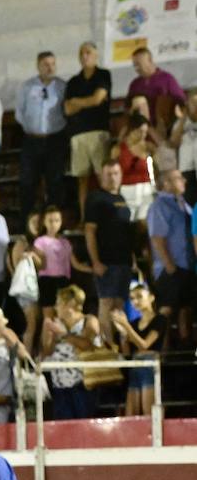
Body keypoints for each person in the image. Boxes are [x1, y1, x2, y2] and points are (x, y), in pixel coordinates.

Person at [84, 161, 134, 343]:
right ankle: (107, 346)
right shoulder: (96, 198)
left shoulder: (122, 199)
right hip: (106, 261)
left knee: (120, 306)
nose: (112, 177)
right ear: (101, 176)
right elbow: (89, 230)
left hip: (124, 261)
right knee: (106, 302)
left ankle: (122, 348)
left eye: (115, 173)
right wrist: (95, 260)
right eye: (108, 174)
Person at [16, 52, 69, 226]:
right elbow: (19, 112)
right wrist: (30, 129)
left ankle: (54, 223)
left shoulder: (62, 86)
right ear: (38, 66)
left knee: (55, 181)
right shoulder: (27, 87)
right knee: (27, 182)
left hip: (55, 139)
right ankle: (28, 224)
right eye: (46, 64)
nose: (50, 67)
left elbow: (66, 110)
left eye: (53, 64)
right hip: (32, 139)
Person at [65, 42, 114, 225]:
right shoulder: (73, 82)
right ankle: (85, 218)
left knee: (103, 175)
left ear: (96, 55)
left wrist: (78, 101)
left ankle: (107, 215)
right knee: (82, 179)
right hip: (77, 135)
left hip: (98, 132)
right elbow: (68, 109)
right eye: (82, 53)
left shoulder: (103, 75)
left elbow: (97, 99)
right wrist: (83, 102)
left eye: (88, 52)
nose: (85, 56)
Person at [41, 284, 102, 420]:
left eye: (59, 303)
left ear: (70, 305)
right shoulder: (55, 323)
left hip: (84, 384)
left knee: (84, 425)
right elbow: (47, 351)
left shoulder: (89, 321)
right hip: (59, 385)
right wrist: (47, 334)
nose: (56, 308)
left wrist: (63, 334)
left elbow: (88, 346)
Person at [146, 169, 192, 340]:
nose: (184, 181)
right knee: (167, 308)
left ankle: (184, 346)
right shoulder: (160, 205)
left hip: (186, 265)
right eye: (178, 178)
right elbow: (157, 238)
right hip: (171, 267)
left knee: (184, 308)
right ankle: (159, 349)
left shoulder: (182, 204)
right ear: (166, 183)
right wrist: (170, 267)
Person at [112, 282, 167, 418]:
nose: (135, 301)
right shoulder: (134, 323)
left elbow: (145, 344)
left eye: (139, 297)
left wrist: (126, 326)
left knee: (149, 414)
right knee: (131, 415)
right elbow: (127, 352)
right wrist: (123, 333)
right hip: (135, 366)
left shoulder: (159, 319)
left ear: (151, 297)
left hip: (150, 365)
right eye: (132, 298)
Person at [33, 204, 91, 326]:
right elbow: (40, 266)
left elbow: (75, 264)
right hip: (47, 280)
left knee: (63, 316)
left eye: (57, 220)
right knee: (48, 317)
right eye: (50, 221)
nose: (54, 224)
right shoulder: (40, 241)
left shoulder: (65, 242)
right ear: (44, 222)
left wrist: (91, 269)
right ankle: (47, 344)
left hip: (63, 281)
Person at [127, 47, 185, 140]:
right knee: (148, 155)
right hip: (144, 134)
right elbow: (128, 109)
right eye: (134, 65)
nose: (136, 68)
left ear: (149, 60)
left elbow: (181, 102)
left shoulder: (167, 79)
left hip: (165, 131)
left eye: (139, 64)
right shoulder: (135, 84)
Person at [114, 112, 156, 223]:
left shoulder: (149, 147)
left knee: (145, 224)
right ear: (131, 130)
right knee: (128, 224)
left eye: (145, 132)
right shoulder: (119, 149)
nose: (143, 135)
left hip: (146, 189)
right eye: (140, 131)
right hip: (126, 190)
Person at [171, 89, 197, 206]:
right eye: (194, 102)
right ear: (187, 104)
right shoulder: (180, 123)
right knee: (190, 203)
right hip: (187, 169)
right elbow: (174, 143)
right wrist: (183, 118)